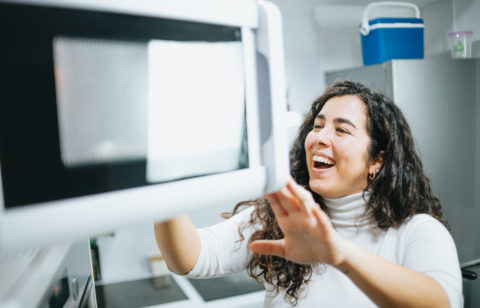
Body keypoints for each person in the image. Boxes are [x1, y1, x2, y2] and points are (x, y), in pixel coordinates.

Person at [154, 80, 463, 307]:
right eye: (318, 126)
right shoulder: (283, 216)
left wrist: (337, 253)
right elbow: (189, 257)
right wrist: (162, 178)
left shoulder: (418, 232)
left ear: (377, 161)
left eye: (341, 130)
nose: (319, 138)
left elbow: (441, 302)